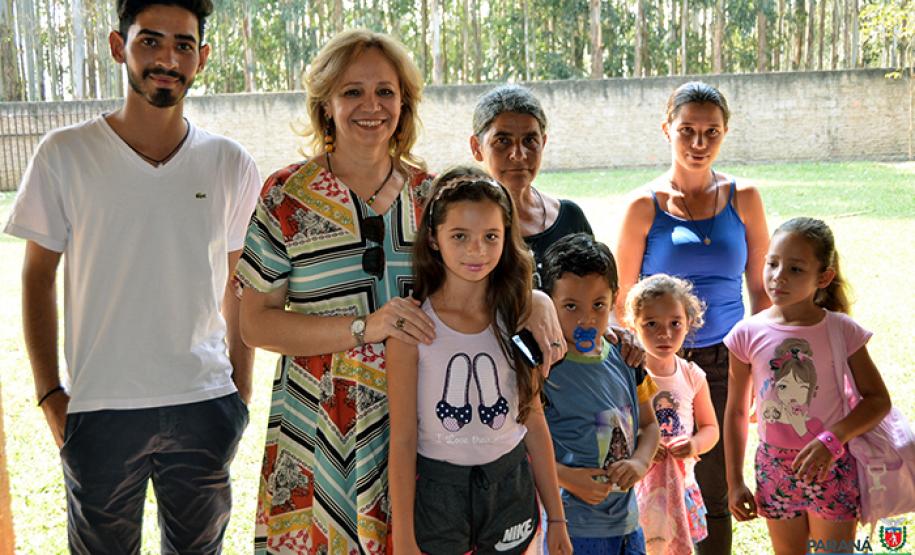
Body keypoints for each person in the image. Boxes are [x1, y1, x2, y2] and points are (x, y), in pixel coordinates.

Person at [234, 30, 566, 554]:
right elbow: (255, 323)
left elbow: (493, 267)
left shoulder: (430, 194)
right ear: (325, 103)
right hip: (323, 424)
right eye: (352, 92)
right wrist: (364, 327)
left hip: (430, 429)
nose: (372, 106)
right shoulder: (285, 196)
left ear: (405, 102)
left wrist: (539, 299)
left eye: (386, 92)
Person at [4, 0, 261, 552]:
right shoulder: (64, 155)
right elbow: (36, 278)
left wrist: (240, 390)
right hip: (101, 408)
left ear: (202, 58)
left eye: (183, 45)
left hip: (204, 403)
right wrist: (50, 394)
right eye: (150, 41)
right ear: (119, 46)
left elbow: (240, 280)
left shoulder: (229, 162)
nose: (167, 58)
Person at [614, 81, 770, 554]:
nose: (698, 144)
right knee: (651, 482)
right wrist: (643, 368)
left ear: (725, 133)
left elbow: (762, 291)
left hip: (728, 362)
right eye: (687, 131)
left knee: (715, 488)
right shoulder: (644, 207)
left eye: (711, 132)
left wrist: (762, 372)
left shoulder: (745, 198)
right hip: (661, 368)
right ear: (667, 130)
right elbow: (622, 299)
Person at [387, 166, 573, 555]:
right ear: (434, 240)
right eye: (460, 236)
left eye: (491, 236)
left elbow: (533, 418)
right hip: (439, 492)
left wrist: (556, 518)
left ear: (507, 238)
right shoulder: (412, 328)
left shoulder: (520, 321)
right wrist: (404, 537)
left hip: (510, 484)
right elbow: (402, 439)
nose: (477, 250)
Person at [723, 217, 891, 554]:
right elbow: (737, 411)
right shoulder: (746, 334)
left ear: (824, 277)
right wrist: (734, 481)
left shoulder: (843, 330)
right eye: (772, 263)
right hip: (773, 468)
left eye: (796, 269)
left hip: (831, 463)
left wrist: (833, 439)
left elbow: (877, 400)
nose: (778, 276)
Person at [471, 83, 644, 368]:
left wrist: (616, 331)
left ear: (544, 142)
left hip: (572, 380)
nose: (518, 154)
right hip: (494, 373)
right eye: (502, 141)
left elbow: (598, 295)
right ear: (477, 148)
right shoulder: (466, 231)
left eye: (530, 140)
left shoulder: (570, 217)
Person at [539, 233, 660, 555]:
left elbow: (649, 425)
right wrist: (565, 477)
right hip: (570, 527)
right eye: (570, 306)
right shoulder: (541, 369)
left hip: (627, 525)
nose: (586, 319)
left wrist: (639, 462)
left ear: (614, 298)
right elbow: (520, 443)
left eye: (598, 305)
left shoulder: (626, 359)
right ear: (546, 301)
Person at [626, 274, 719, 554]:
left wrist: (694, 445)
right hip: (637, 488)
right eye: (651, 324)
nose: (664, 334)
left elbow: (710, 428)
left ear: (688, 322)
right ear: (633, 324)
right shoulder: (627, 373)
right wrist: (641, 448)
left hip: (681, 485)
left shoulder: (693, 376)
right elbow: (613, 424)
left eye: (675, 323)